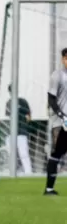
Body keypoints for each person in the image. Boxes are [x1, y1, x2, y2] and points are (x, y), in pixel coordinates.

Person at [44, 48, 67, 195]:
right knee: (57, 154)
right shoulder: (57, 76)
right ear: (63, 59)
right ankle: (49, 189)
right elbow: (51, 98)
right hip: (61, 122)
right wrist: (61, 114)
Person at [5, 83, 33, 174]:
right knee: (10, 152)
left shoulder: (22, 101)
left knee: (23, 153)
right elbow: (8, 116)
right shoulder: (8, 103)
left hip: (21, 132)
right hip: (11, 133)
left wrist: (25, 124)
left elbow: (28, 115)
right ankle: (13, 170)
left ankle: (28, 172)